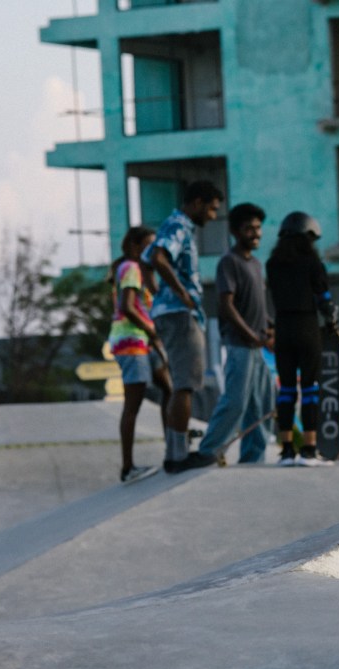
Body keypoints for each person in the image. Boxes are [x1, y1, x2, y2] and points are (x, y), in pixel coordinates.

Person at [144, 179, 225, 473]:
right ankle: (177, 456)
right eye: (212, 209)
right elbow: (156, 257)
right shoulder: (178, 225)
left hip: (172, 311)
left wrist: (159, 296)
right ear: (197, 203)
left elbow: (147, 262)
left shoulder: (173, 225)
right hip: (179, 314)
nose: (213, 216)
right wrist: (181, 294)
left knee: (183, 384)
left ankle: (176, 451)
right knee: (185, 385)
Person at [196, 202, 275, 465]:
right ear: (234, 231)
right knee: (236, 402)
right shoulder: (228, 262)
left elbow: (256, 306)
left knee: (262, 405)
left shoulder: (255, 264)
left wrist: (269, 328)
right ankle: (208, 451)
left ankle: (254, 458)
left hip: (257, 347)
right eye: (249, 229)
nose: (255, 234)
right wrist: (251, 335)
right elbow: (226, 305)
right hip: (240, 345)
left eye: (258, 228)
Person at [266, 211, 338, 467]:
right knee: (309, 389)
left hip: (283, 328)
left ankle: (286, 450)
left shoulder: (272, 265)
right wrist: (331, 321)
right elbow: (324, 300)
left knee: (286, 389)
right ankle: (309, 450)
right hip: (307, 328)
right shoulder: (313, 264)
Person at [108, 225, 172, 484]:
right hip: (131, 340)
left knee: (169, 388)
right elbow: (127, 307)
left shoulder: (141, 269)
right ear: (135, 248)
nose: (152, 251)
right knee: (132, 405)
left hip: (145, 339)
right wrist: (152, 333)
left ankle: (174, 450)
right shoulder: (130, 268)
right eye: (147, 246)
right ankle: (127, 467)